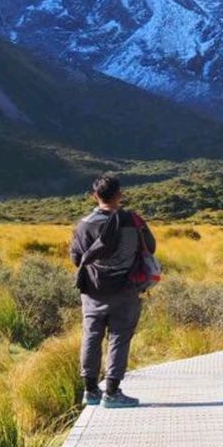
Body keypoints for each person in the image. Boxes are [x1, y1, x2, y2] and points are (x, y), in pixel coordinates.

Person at [70, 175, 156, 408]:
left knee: (91, 336)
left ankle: (91, 391)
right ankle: (112, 392)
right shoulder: (133, 221)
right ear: (120, 194)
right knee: (119, 338)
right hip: (125, 288)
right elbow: (151, 247)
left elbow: (76, 258)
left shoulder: (84, 224)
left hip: (91, 290)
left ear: (95, 196)